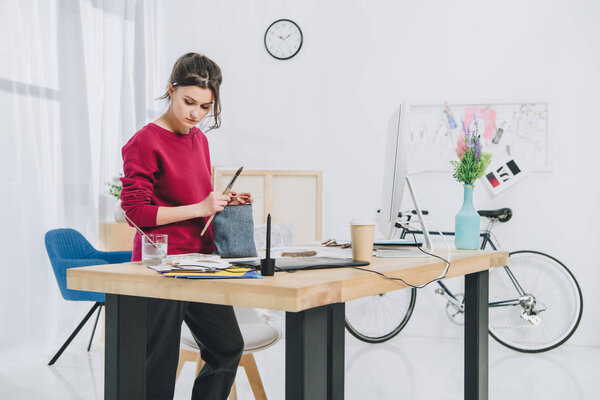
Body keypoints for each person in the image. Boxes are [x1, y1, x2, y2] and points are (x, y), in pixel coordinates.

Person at [120, 52, 251, 400]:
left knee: (227, 347)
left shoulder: (199, 139)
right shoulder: (145, 140)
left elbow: (196, 201)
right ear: (171, 90)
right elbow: (135, 211)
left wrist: (220, 203)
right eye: (188, 102)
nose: (195, 113)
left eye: (205, 107)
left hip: (201, 262)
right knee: (158, 367)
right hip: (161, 265)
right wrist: (200, 206)